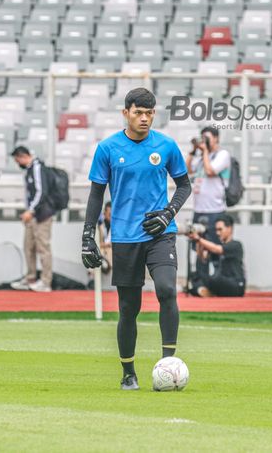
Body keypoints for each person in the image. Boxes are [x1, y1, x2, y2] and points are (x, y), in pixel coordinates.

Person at [81, 88, 191, 390]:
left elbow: (184, 185)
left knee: (167, 290)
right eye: (138, 112)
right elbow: (96, 194)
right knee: (129, 308)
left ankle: (169, 365)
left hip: (160, 234)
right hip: (125, 237)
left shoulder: (166, 146)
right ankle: (128, 372)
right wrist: (88, 235)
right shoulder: (107, 148)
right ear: (126, 113)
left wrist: (168, 214)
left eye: (149, 113)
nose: (144, 118)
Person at [186, 127, 231, 278]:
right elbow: (187, 169)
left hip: (215, 211)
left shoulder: (222, 155)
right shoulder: (200, 159)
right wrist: (193, 151)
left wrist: (205, 151)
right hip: (199, 210)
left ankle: (218, 279)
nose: (204, 141)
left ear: (216, 138)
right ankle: (201, 280)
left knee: (215, 247)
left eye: (207, 138)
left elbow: (211, 171)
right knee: (198, 246)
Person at [9, 146, 55, 293]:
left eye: (17, 160)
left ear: (22, 156)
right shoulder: (29, 170)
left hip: (42, 215)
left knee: (43, 248)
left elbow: (42, 192)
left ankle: (46, 281)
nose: (18, 163)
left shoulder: (37, 168)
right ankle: (30, 278)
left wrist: (31, 210)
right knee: (28, 247)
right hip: (33, 216)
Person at [188, 215, 246, 297]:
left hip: (236, 284)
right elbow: (202, 258)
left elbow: (217, 249)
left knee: (213, 279)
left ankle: (204, 290)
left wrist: (198, 239)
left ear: (229, 228)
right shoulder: (218, 246)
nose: (217, 233)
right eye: (216, 230)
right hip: (222, 283)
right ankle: (204, 291)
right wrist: (199, 239)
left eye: (220, 229)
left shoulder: (236, 245)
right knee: (196, 277)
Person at [98, 201, 112, 274]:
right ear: (105, 212)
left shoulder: (116, 225)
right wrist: (107, 244)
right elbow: (97, 243)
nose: (112, 216)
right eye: (110, 214)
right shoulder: (99, 224)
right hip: (101, 250)